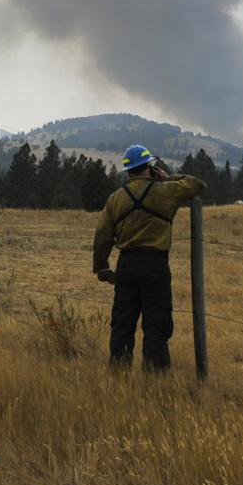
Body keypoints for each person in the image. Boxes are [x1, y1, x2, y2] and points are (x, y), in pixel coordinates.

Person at [92, 144, 206, 371]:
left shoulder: (116, 198)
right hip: (155, 266)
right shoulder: (165, 191)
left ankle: (118, 375)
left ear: (128, 170)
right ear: (150, 167)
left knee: (122, 324)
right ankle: (155, 379)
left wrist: (102, 267)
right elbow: (198, 185)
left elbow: (103, 235)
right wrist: (168, 177)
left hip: (126, 266)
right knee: (156, 324)